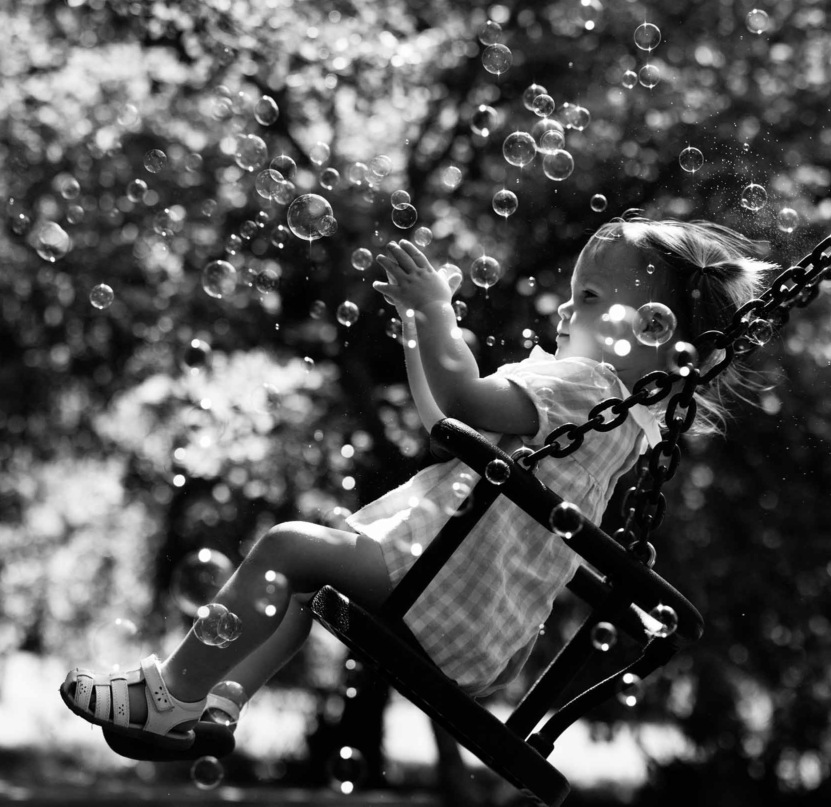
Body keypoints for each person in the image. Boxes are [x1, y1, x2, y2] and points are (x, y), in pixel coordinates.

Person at [59, 216, 776, 753]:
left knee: (287, 548)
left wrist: (437, 311)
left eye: (585, 296)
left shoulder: (585, 387)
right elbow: (447, 418)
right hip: (471, 622)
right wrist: (417, 329)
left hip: (436, 592)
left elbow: (462, 396)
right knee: (307, 583)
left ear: (651, 328)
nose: (563, 311)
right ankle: (219, 704)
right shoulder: (604, 410)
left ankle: (169, 695)